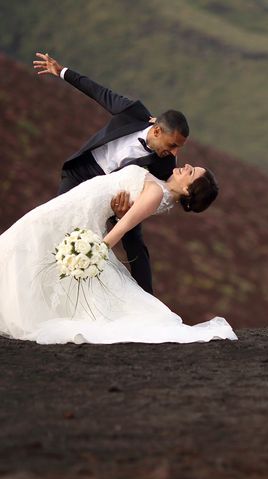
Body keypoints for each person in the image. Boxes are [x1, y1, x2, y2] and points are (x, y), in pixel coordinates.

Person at [0, 163, 236, 344]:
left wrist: (91, 253)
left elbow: (125, 226)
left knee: (20, 241)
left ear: (186, 188)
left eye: (191, 171)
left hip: (75, 212)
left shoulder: (155, 194)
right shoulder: (159, 187)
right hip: (73, 207)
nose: (186, 166)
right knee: (24, 242)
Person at [33, 52, 187, 295]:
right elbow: (99, 93)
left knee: (135, 240)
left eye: (179, 147)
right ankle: (47, 279)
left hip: (117, 195)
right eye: (172, 145)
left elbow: (157, 195)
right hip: (82, 172)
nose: (175, 152)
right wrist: (61, 71)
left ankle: (149, 301)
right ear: (156, 131)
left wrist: (124, 211)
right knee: (54, 220)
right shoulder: (134, 112)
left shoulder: (165, 164)